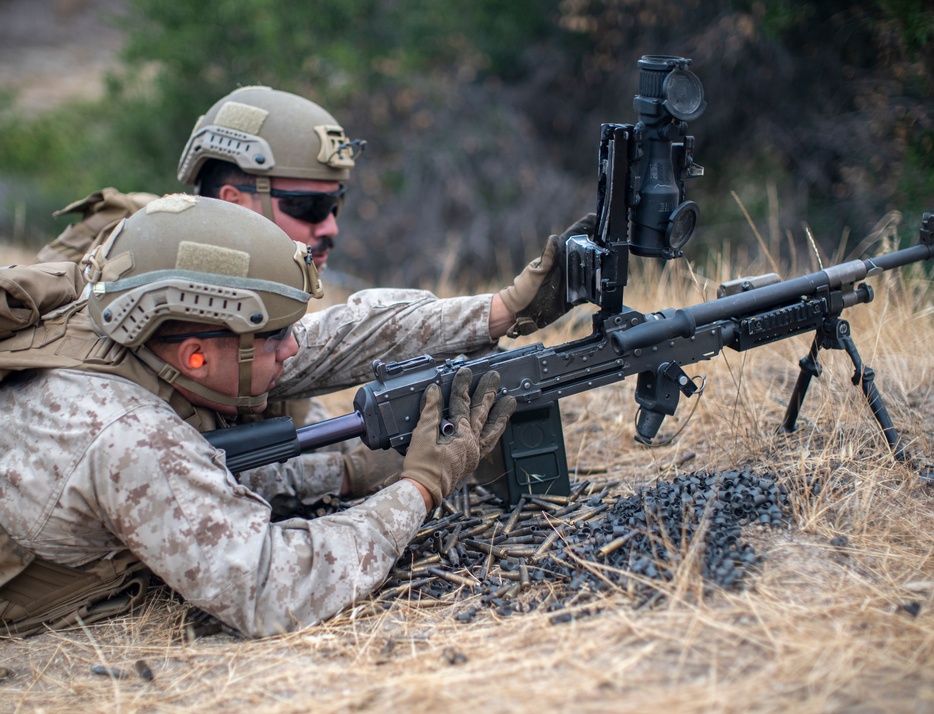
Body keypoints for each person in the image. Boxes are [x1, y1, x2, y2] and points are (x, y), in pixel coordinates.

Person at [35, 85, 594, 510]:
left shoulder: (232, 289)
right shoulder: (145, 283)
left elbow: (326, 351)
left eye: (336, 205)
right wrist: (355, 474)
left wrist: (501, 312)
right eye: (306, 207)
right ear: (235, 201)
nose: (328, 228)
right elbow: (182, 481)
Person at [0, 195, 516, 637]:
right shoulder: (127, 437)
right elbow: (273, 587)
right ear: (195, 356)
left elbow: (336, 339)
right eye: (273, 336)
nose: (292, 347)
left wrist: (503, 310)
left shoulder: (129, 322)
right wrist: (421, 487)